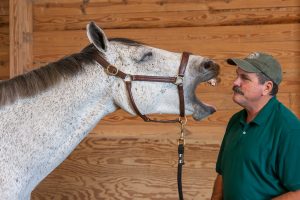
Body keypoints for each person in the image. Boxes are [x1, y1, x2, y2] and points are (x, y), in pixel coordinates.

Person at [211, 52, 300, 200]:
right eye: (237, 75)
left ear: (267, 87)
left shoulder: (289, 129)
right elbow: (223, 172)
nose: (235, 82)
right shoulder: (235, 120)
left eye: (244, 78)